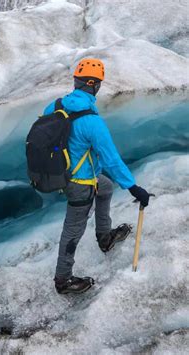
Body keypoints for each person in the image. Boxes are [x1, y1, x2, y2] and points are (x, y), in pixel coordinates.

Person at [41, 58, 151, 294]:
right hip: (80, 183)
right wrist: (133, 188)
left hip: (61, 174)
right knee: (73, 230)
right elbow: (111, 159)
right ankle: (63, 280)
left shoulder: (54, 106)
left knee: (106, 186)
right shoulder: (92, 122)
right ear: (94, 85)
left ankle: (105, 236)